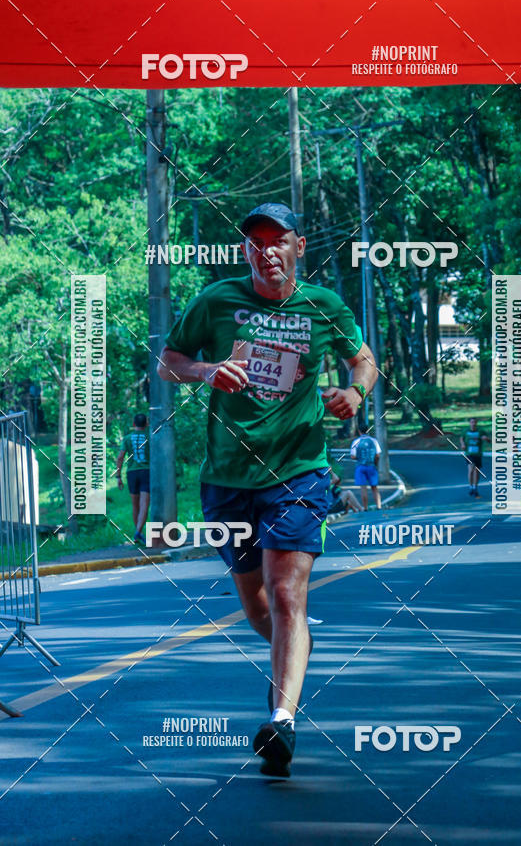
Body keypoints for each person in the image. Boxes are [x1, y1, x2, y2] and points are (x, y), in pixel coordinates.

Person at [157, 202, 377, 778]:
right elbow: (169, 363)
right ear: (245, 250)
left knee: (285, 594)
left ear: (298, 248)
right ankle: (295, 644)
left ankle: (281, 719)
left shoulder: (323, 306)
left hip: (299, 471)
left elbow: (364, 361)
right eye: (255, 242)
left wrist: (355, 395)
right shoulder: (216, 301)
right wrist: (207, 371)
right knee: (259, 607)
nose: (266, 251)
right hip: (228, 478)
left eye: (277, 240)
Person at [116, 413, 150, 545]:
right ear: (146, 424)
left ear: (134, 424)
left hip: (132, 474)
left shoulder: (127, 438)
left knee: (135, 505)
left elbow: (120, 457)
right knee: (144, 504)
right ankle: (138, 532)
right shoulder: (150, 437)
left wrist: (118, 476)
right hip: (146, 472)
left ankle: (137, 535)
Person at [350, 422, 382, 510]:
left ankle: (365, 508)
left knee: (363, 488)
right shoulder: (374, 441)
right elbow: (378, 455)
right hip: (371, 466)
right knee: (374, 487)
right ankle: (379, 506)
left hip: (360, 467)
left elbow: (352, 456)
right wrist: (375, 463)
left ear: (359, 431)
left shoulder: (356, 442)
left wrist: (360, 458)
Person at [459, 417, 490, 497]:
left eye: (475, 422)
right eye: (472, 422)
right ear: (470, 423)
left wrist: (486, 439)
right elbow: (461, 438)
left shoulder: (480, 431)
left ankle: (474, 487)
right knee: (471, 469)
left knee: (476, 471)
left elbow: (489, 440)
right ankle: (470, 486)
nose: (473, 423)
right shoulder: (466, 431)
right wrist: (462, 444)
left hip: (478, 454)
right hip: (469, 453)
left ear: (476, 423)